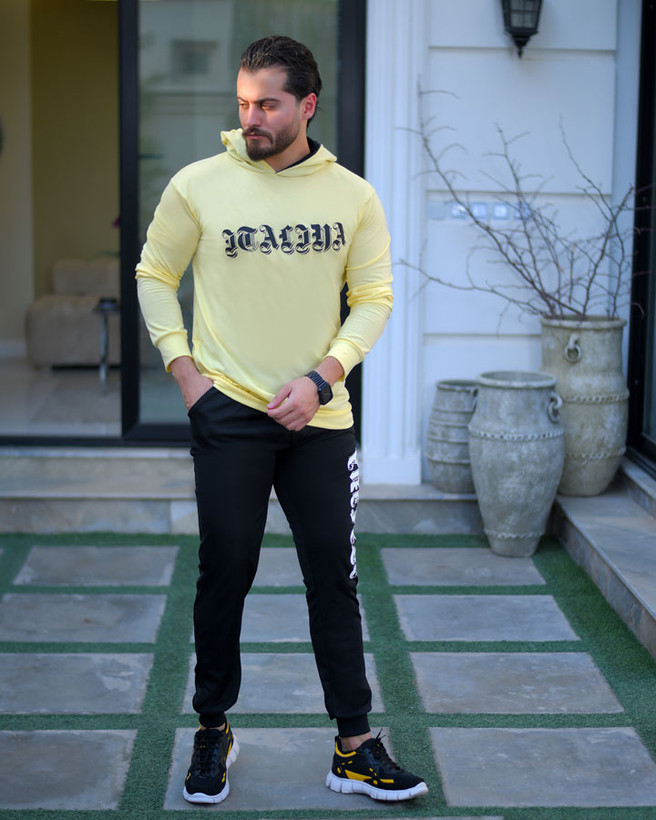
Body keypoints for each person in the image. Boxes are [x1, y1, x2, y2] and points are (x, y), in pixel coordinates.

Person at [136, 34, 427, 806]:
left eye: (267, 103)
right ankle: (213, 728)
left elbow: (374, 298)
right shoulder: (199, 186)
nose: (251, 117)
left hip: (319, 420)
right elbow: (155, 274)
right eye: (243, 103)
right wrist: (186, 375)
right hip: (227, 411)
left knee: (334, 576)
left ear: (308, 105)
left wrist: (324, 378)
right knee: (225, 571)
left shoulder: (353, 196)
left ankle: (354, 746)